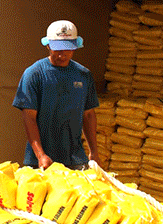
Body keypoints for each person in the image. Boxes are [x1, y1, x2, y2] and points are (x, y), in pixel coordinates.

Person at [12, 20, 102, 170]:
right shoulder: (34, 74)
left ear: (76, 46)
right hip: (41, 161)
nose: (62, 54)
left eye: (68, 49)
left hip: (75, 159)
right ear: (48, 45)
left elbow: (88, 115)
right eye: (58, 49)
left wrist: (94, 152)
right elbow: (29, 117)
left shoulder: (83, 75)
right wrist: (40, 155)